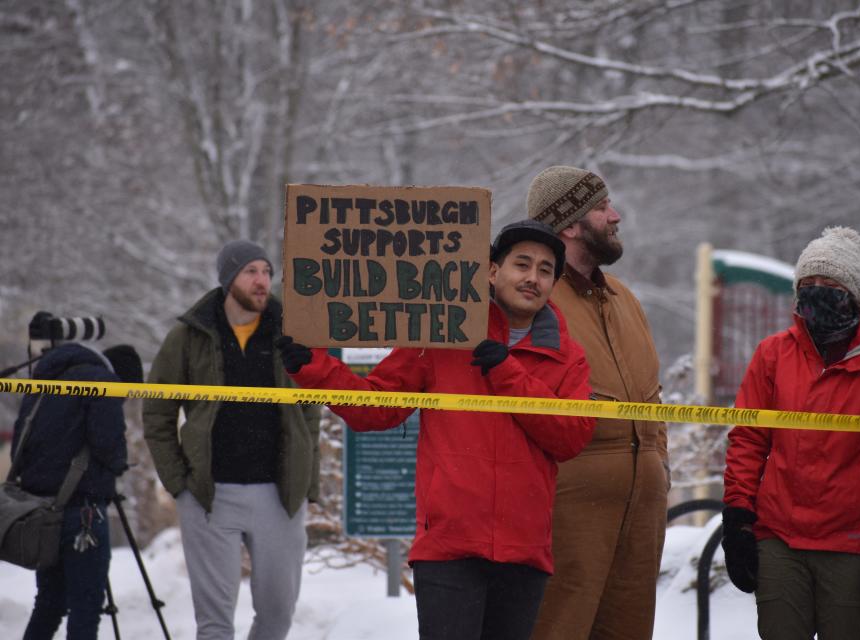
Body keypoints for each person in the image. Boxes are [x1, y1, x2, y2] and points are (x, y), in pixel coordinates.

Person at [279, 220, 595, 640]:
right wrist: (311, 366)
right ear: (491, 271)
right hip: (448, 547)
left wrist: (506, 371)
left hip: (524, 553)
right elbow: (376, 407)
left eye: (544, 270)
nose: (532, 278)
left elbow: (570, 437)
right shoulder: (442, 334)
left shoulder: (567, 357)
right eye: (522, 264)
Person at [722, 226, 860, 639]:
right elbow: (748, 439)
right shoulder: (773, 354)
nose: (816, 292)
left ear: (853, 292)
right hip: (778, 538)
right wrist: (738, 516)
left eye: (828, 284)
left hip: (851, 544)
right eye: (807, 284)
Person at [142, 240, 321, 640]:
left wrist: (308, 482)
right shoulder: (189, 337)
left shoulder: (290, 333)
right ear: (228, 279)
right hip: (209, 495)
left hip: (280, 494)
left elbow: (310, 411)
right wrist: (180, 484)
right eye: (251, 272)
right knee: (214, 624)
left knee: (277, 616)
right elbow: (157, 412)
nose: (262, 281)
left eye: (266, 272)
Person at [525, 165, 669, 640]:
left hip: (640, 515)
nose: (616, 215)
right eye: (603, 207)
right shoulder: (532, 300)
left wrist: (659, 469)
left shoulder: (625, 299)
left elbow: (655, 404)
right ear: (569, 224)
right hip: (568, 516)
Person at [12, 339, 142, 640]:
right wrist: (117, 465)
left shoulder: (46, 381)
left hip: (41, 510)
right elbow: (109, 445)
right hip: (82, 510)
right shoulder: (103, 383)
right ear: (122, 379)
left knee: (49, 603)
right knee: (86, 605)